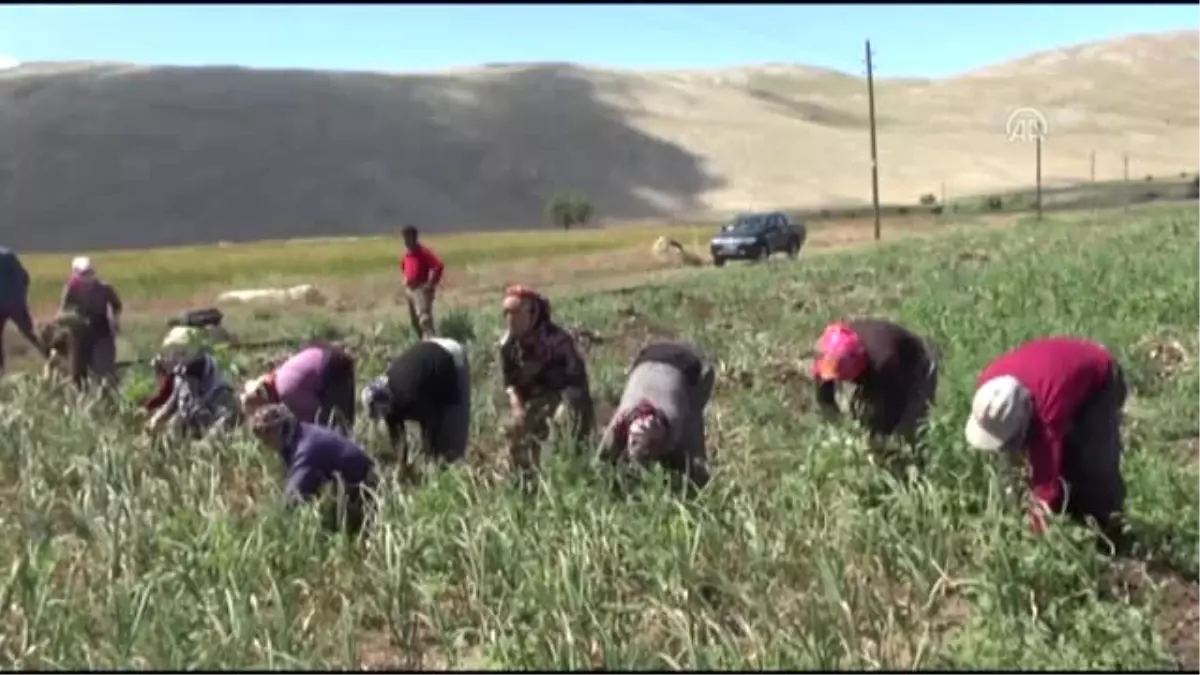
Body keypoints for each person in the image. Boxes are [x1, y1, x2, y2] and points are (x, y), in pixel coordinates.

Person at [964, 336, 1129, 548]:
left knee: (1092, 465)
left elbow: (1046, 482)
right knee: (1038, 464)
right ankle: (1068, 515)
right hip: (1057, 374)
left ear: (1026, 416)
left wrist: (1038, 534)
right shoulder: (988, 386)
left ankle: (1110, 534)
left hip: (1099, 379)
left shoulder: (1048, 413)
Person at [498, 285, 595, 477]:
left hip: (566, 398)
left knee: (562, 424)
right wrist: (516, 406)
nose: (511, 319)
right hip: (534, 402)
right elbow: (510, 383)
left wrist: (563, 408)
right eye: (506, 313)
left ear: (532, 313)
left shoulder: (558, 342)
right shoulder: (509, 346)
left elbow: (577, 382)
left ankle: (567, 473)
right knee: (511, 428)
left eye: (516, 312)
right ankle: (523, 477)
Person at [598, 341, 714, 491]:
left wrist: (696, 479)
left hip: (694, 364)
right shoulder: (621, 419)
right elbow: (602, 459)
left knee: (692, 428)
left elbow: (689, 454)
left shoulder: (675, 419)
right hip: (646, 359)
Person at [249, 403, 378, 535]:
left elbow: (293, 500)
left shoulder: (305, 451)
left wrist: (272, 527)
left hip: (365, 487)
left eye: (265, 433)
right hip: (351, 480)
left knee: (352, 531)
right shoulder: (299, 434)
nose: (263, 441)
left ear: (279, 429)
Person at [811, 319, 940, 447]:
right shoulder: (828, 353)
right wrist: (835, 426)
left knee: (908, 427)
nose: (840, 379)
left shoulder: (884, 362)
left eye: (843, 374)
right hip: (878, 368)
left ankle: (917, 458)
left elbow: (895, 404)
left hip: (915, 367)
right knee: (863, 411)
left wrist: (877, 439)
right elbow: (825, 396)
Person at [360, 337, 471, 466]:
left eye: (381, 411)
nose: (383, 415)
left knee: (453, 438)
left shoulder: (408, 395)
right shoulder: (389, 394)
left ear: (386, 401)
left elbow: (433, 420)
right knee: (436, 450)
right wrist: (401, 466)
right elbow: (398, 438)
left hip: (450, 356)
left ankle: (457, 467)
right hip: (430, 350)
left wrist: (430, 452)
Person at [241, 341, 357, 436]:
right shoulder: (278, 377)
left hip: (332, 368)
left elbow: (314, 417)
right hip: (326, 356)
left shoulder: (287, 393)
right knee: (342, 426)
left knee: (335, 430)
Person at [145, 350, 241, 440]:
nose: (188, 383)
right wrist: (156, 419)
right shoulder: (182, 381)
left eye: (191, 378)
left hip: (208, 434)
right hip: (187, 427)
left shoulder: (222, 394)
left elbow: (223, 423)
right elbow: (171, 403)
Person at [57, 256, 123, 387]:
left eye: (90, 273)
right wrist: (72, 318)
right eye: (84, 274)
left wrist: (115, 321)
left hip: (101, 332)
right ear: (75, 273)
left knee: (104, 369)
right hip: (79, 334)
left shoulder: (105, 289)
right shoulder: (71, 289)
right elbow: (62, 312)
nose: (88, 277)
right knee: (78, 372)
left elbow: (117, 306)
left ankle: (109, 397)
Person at [0, 246, 47, 374]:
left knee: (29, 332)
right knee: (29, 332)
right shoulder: (8, 255)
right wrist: (20, 296)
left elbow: (24, 277)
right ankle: (48, 355)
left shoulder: (6, 256)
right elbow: (25, 277)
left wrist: (18, 297)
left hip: (13, 303)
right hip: (15, 303)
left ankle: (49, 355)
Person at [400, 225, 445, 340]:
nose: (405, 241)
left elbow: (438, 265)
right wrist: (406, 278)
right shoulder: (407, 254)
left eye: (408, 238)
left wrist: (430, 284)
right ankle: (422, 341)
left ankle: (431, 341)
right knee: (415, 322)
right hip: (410, 290)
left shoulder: (423, 252)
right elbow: (404, 267)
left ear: (414, 238)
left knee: (424, 320)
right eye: (404, 238)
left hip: (421, 289)